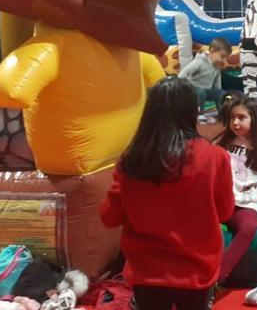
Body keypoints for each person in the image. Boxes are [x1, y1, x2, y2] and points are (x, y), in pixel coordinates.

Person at [99, 78, 234, 310]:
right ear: (193, 112)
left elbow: (109, 216)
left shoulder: (132, 161)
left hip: (146, 271)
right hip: (197, 269)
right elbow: (224, 212)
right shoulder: (215, 157)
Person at [214, 94, 257, 287]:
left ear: (254, 119)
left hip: (244, 203)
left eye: (241, 117)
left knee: (248, 227)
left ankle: (218, 277)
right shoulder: (222, 143)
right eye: (232, 118)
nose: (235, 123)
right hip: (221, 198)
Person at [178, 37, 232, 111]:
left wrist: (218, 92)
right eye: (222, 57)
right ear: (212, 51)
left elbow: (217, 83)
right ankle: (199, 112)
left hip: (207, 91)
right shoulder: (200, 62)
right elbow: (183, 73)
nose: (224, 60)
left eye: (226, 58)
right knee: (201, 92)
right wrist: (183, 88)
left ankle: (222, 112)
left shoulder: (217, 66)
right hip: (193, 91)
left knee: (221, 93)